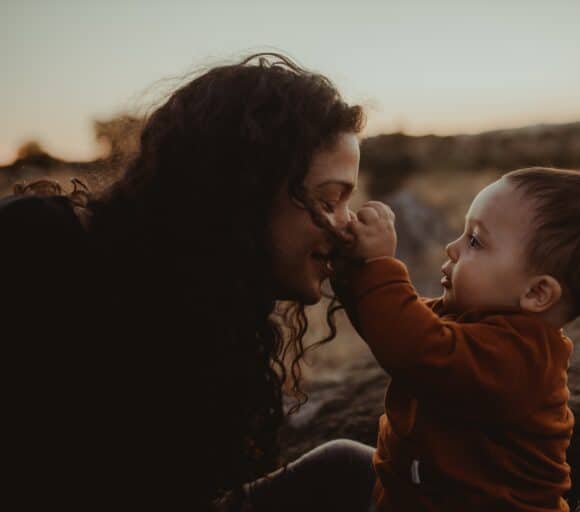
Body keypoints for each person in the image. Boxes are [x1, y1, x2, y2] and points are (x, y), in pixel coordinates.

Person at [1, 52, 364, 511]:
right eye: (330, 200)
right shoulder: (36, 248)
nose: (346, 227)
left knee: (350, 470)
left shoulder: (210, 313)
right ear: (247, 187)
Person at [240, 167, 580, 511]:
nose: (452, 247)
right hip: (408, 496)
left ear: (537, 293)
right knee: (342, 460)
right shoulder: (470, 324)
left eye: (475, 241)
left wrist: (382, 265)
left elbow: (412, 346)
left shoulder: (520, 360)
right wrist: (353, 273)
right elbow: (395, 326)